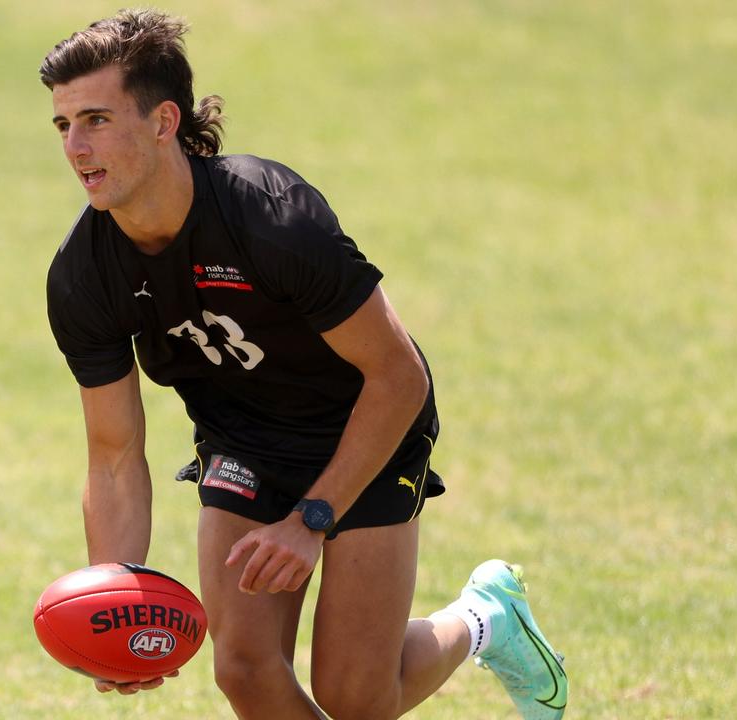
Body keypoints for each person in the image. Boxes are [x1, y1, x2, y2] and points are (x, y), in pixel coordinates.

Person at [40, 10, 568, 719]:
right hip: (245, 447)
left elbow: (399, 376)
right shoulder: (83, 276)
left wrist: (312, 519)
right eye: (63, 125)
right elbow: (112, 457)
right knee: (245, 670)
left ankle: (485, 618)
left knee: (355, 699)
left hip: (366, 426)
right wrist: (116, 603)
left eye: (97, 119)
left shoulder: (272, 218)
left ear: (164, 122)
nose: (76, 146)